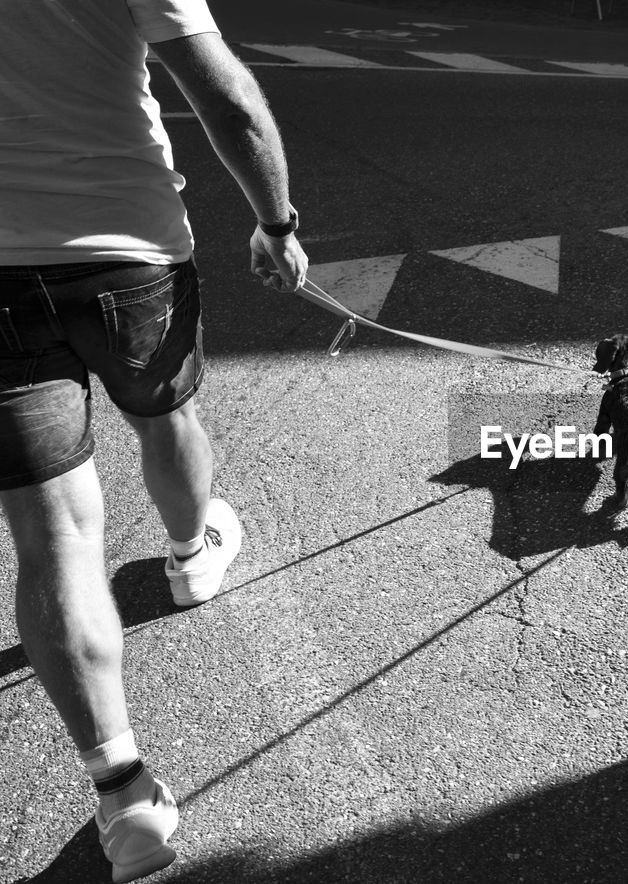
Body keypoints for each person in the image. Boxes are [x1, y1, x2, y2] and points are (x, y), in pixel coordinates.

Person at [0, 1, 307, 879]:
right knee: (166, 415)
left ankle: (124, 795)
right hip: (127, 251)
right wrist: (276, 225)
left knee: (52, 532)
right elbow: (228, 101)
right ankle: (190, 552)